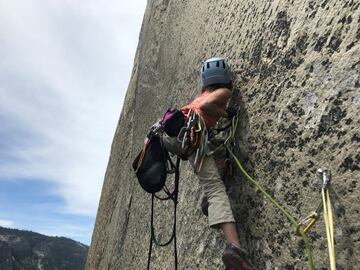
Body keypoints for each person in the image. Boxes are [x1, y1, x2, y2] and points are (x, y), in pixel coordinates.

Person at [161, 57, 255, 270]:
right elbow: (207, 106)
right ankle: (234, 249)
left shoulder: (201, 94)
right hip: (190, 135)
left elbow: (202, 106)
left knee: (220, 158)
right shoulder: (224, 92)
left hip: (177, 137)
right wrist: (227, 112)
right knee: (215, 189)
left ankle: (210, 205)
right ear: (226, 78)